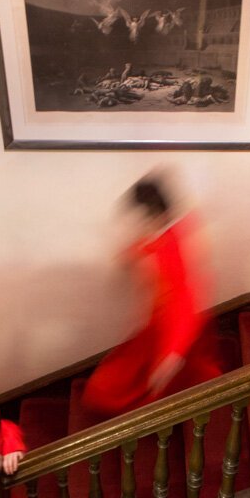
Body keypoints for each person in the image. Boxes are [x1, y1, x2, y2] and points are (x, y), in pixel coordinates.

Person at [81, 175, 220, 419]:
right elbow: (148, 245)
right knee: (108, 384)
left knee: (111, 394)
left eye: (141, 218)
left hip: (174, 331)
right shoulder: (162, 235)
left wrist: (172, 354)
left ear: (154, 215)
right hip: (156, 325)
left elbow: (186, 302)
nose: (137, 226)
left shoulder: (176, 246)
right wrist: (132, 255)